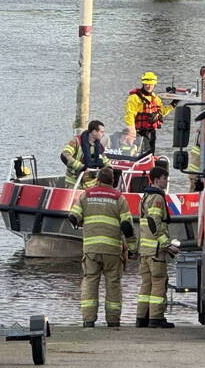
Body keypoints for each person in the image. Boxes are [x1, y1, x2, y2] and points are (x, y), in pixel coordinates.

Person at [68, 167, 135, 327]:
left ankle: (88, 320)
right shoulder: (119, 198)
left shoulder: (86, 195)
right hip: (112, 250)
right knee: (113, 284)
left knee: (90, 282)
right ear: (113, 181)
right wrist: (132, 248)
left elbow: (74, 216)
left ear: (97, 179)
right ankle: (112, 321)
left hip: (91, 249)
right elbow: (127, 226)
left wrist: (79, 221)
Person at [136, 166, 175, 328]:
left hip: (144, 249)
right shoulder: (157, 199)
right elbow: (155, 223)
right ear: (157, 179)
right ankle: (156, 318)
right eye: (165, 178)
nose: (166, 182)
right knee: (159, 282)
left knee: (146, 284)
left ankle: (141, 318)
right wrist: (167, 245)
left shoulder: (145, 197)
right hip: (156, 250)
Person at [124, 72, 174, 154]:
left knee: (151, 153)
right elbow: (129, 114)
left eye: (151, 84)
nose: (149, 86)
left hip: (151, 131)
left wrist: (173, 104)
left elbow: (162, 112)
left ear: (154, 85)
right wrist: (132, 130)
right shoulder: (134, 97)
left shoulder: (155, 98)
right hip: (139, 132)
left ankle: (151, 164)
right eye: (147, 84)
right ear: (143, 83)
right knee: (140, 152)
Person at [61, 120, 107, 187]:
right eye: (101, 132)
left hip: (92, 185)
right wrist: (81, 167)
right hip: (74, 183)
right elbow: (65, 155)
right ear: (94, 132)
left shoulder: (99, 146)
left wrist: (111, 169)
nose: (103, 134)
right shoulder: (77, 141)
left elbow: (104, 159)